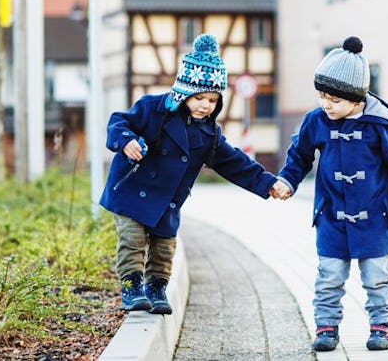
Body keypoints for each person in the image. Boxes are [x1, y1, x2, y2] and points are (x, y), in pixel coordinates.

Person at [100, 33, 282, 315]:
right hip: (131, 189)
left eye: (212, 100)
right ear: (183, 91)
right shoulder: (153, 108)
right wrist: (126, 141)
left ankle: (157, 287)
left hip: (169, 200)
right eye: (198, 97)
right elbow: (118, 121)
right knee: (133, 240)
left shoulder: (209, 133)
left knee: (164, 246)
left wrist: (267, 183)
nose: (205, 105)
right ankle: (131, 286)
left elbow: (234, 162)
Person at [271, 36, 388, 351]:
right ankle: (326, 327)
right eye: (322, 96)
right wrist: (287, 181)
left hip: (375, 216)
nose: (326, 105)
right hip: (332, 215)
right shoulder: (317, 121)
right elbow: (299, 156)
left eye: (334, 100)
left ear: (356, 99)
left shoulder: (380, 125)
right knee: (329, 276)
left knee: (377, 276)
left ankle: (382, 325)